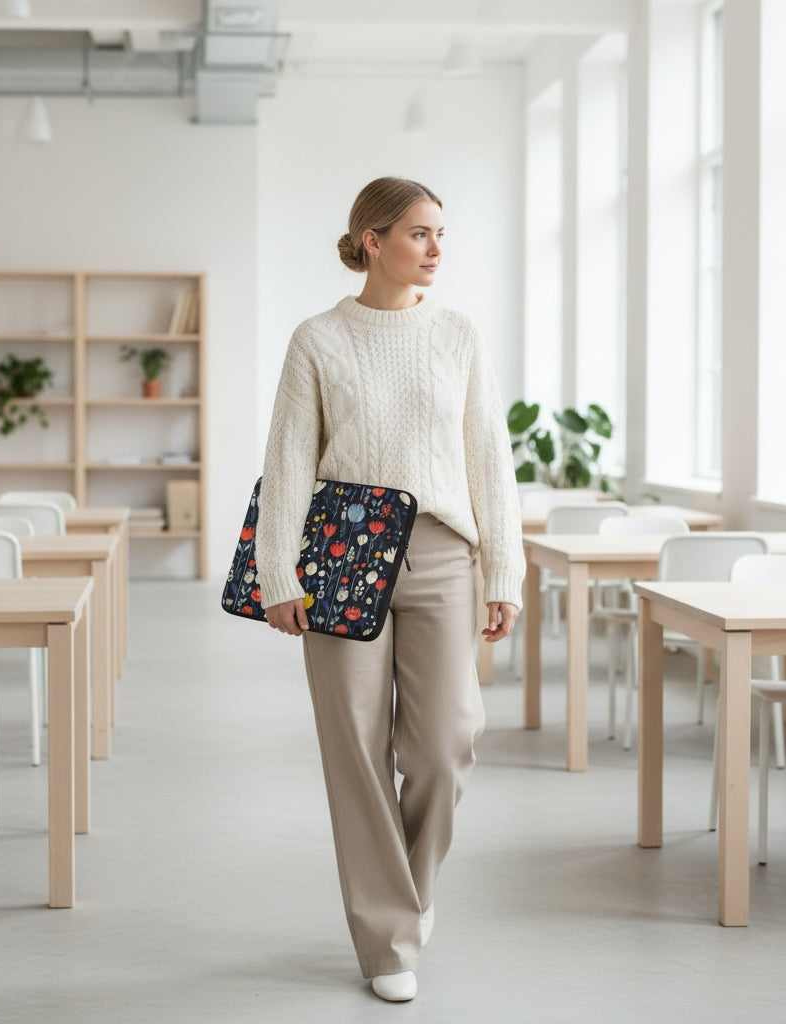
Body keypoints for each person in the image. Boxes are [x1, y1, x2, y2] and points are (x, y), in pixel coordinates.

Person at [255, 176, 524, 1003]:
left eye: (442, 233)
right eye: (419, 232)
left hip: (441, 551)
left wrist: (504, 570)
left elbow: (489, 457)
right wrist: (277, 572)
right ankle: (387, 940)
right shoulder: (318, 339)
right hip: (343, 554)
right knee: (356, 750)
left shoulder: (458, 335)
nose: (437, 248)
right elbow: (288, 459)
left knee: (445, 744)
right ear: (372, 241)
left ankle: (407, 895)